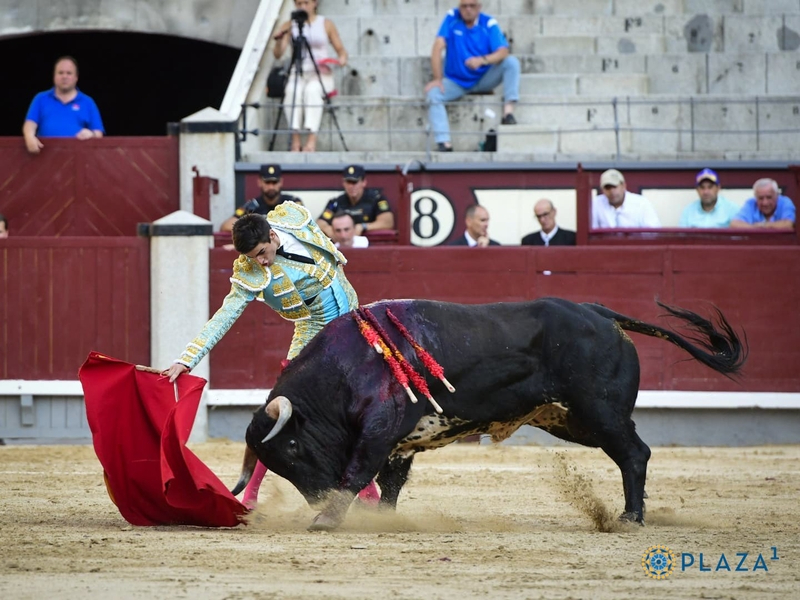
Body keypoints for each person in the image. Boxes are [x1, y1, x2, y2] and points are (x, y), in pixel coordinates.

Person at [163, 202, 379, 508]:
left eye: (262, 252)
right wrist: (188, 358)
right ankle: (251, 494)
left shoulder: (294, 218)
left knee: (359, 408)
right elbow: (224, 316)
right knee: (283, 413)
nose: (261, 262)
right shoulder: (251, 273)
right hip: (314, 336)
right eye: (253, 257)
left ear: (273, 236)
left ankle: (369, 494)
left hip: (353, 325)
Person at [425, 1, 520, 152]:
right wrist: (437, 78)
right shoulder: (452, 18)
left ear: (479, 7)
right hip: (456, 82)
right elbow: (438, 46)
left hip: (483, 78)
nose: (468, 9)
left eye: (472, 5)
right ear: (459, 7)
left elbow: (503, 51)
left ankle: (508, 113)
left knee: (512, 62)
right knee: (433, 94)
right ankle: (444, 143)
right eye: (464, 6)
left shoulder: (488, 23)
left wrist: (482, 60)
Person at [273, 0, 348, 152]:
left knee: (312, 91)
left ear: (315, 3)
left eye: (306, 3)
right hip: (298, 72)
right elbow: (278, 54)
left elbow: (341, 50)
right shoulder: (290, 25)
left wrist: (341, 60)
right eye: (299, 3)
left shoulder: (326, 24)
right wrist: (279, 40)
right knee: (292, 91)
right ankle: (295, 139)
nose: (302, 7)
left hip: (321, 72)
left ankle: (311, 140)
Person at [23, 56, 104, 155]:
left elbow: (99, 133)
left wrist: (92, 134)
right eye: (60, 73)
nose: (64, 76)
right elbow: (30, 123)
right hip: (44, 158)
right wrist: (29, 137)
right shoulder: (41, 99)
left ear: (76, 77)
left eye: (69, 73)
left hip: (78, 158)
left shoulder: (88, 102)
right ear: (54, 76)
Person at [317, 165, 394, 237]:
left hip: (369, 243)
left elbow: (387, 222)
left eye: (355, 182)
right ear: (343, 183)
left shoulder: (377, 199)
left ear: (364, 182)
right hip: (341, 243)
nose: (351, 186)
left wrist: (363, 227)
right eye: (348, 182)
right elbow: (320, 223)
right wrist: (330, 230)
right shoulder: (336, 202)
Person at [220, 164, 302, 232]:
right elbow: (226, 226)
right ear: (259, 182)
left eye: (274, 182)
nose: (271, 187)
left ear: (281, 182)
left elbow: (303, 224)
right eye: (267, 182)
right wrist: (254, 230)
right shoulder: (252, 205)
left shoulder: (292, 203)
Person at [592, 169, 661, 228]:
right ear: (602, 190)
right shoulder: (595, 204)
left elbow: (653, 231)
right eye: (607, 188)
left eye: (615, 187)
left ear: (623, 186)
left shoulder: (641, 203)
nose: (612, 191)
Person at [729, 178, 796, 229]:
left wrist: (763, 225)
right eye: (761, 198)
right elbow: (734, 224)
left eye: (769, 197)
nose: (765, 203)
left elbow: (788, 224)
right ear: (755, 197)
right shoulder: (751, 203)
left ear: (777, 195)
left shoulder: (785, 202)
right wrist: (756, 228)